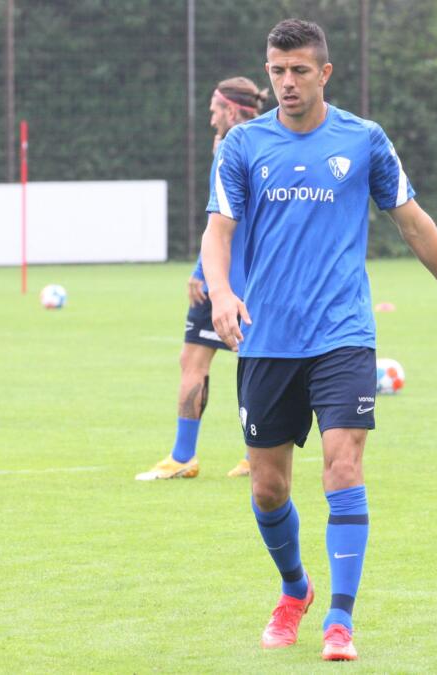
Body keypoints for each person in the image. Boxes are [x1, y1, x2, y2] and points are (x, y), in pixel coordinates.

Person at [201, 19, 437, 662]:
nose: (287, 82)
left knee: (344, 466)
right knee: (268, 488)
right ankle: (295, 589)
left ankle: (339, 620)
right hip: (268, 339)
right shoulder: (243, 145)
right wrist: (221, 291)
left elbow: (412, 222)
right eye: (277, 71)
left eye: (299, 70)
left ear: (324, 72)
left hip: (343, 334)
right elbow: (219, 231)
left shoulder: (363, 141)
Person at [135, 77, 269, 481]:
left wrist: (200, 272)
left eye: (215, 109)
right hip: (255, 278)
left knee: (197, 361)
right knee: (250, 365)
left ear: (231, 110)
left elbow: (225, 223)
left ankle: (184, 457)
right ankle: (252, 456)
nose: (210, 117)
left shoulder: (233, 147)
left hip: (227, 279)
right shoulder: (264, 142)